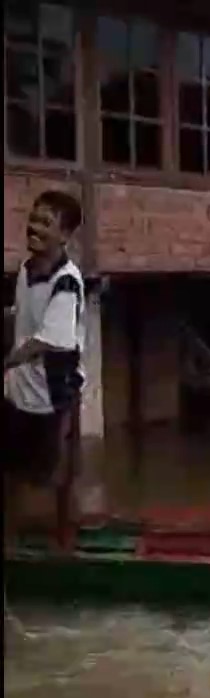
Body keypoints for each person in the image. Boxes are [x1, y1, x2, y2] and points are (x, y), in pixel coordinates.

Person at [3, 190, 86, 550]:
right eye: (34, 219)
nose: (34, 228)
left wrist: (9, 360)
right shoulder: (25, 270)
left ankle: (63, 543)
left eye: (46, 223)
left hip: (54, 389)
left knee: (55, 472)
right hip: (18, 386)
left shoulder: (66, 281)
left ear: (64, 236)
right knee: (10, 469)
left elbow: (50, 339)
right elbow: (21, 318)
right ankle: (11, 538)